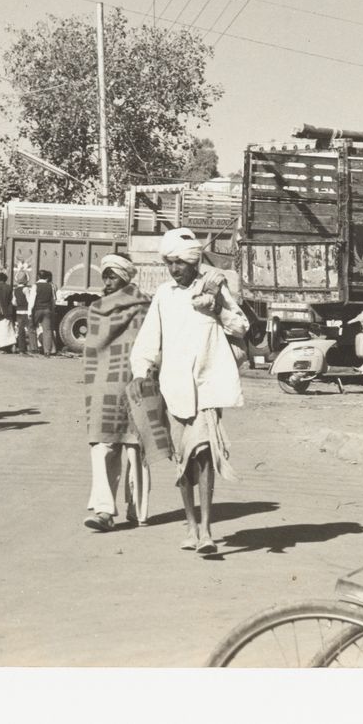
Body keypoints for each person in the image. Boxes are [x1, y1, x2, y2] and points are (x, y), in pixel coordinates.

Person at [130, 227, 243, 554]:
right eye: (170, 263)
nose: (175, 269)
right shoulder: (165, 295)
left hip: (206, 388)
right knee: (184, 461)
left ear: (194, 262)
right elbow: (148, 340)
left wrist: (217, 307)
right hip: (173, 388)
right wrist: (141, 371)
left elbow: (241, 325)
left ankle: (206, 531)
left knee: (204, 454)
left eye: (180, 263)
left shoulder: (213, 290)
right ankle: (192, 526)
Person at [82, 254, 153, 532]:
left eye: (112, 276)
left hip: (137, 381)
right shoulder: (97, 308)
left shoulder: (145, 307)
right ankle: (104, 511)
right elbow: (93, 349)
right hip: (104, 384)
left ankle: (139, 510)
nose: (107, 282)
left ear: (125, 277)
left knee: (137, 447)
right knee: (103, 445)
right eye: (105, 276)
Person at [31, 269, 57, 356]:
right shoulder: (51, 286)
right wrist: (52, 310)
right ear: (46, 277)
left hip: (37, 309)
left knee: (32, 328)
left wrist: (29, 312)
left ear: (38, 276)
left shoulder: (35, 286)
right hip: (47, 310)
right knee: (48, 330)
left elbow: (32, 300)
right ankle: (47, 351)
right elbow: (53, 300)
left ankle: (34, 349)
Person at [0, 272, 17, 353]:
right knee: (8, 329)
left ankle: (1, 348)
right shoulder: (9, 288)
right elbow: (13, 300)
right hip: (8, 311)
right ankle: (10, 346)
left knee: (0, 330)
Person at [13, 271, 33, 355]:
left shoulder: (15, 290)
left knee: (20, 331)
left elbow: (14, 302)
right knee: (30, 330)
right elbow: (29, 300)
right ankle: (32, 348)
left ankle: (22, 349)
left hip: (18, 312)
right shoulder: (26, 289)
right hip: (26, 312)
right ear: (26, 280)